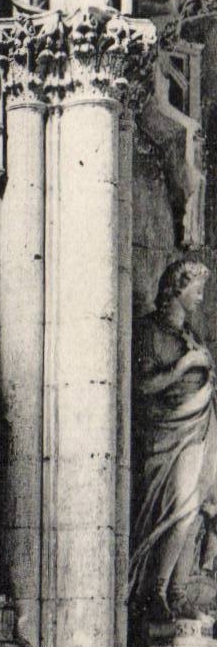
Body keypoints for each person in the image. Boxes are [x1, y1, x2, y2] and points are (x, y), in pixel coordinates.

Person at [129, 258, 217, 621]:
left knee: (195, 510)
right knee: (180, 508)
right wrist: (184, 366)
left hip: (199, 428)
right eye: (196, 289)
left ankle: (177, 593)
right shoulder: (149, 330)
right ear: (176, 289)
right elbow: (144, 386)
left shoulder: (190, 336)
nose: (200, 296)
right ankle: (154, 591)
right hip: (166, 435)